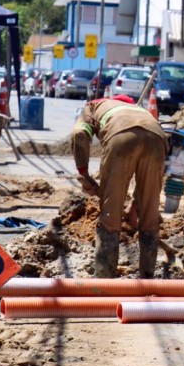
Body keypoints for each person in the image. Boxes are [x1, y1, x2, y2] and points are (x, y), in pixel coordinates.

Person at [71, 94, 169, 279]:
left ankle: (105, 279)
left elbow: (79, 134)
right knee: (150, 213)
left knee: (111, 215)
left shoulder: (93, 106)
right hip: (157, 138)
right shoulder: (140, 110)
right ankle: (148, 279)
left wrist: (83, 173)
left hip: (120, 138)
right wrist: (136, 204)